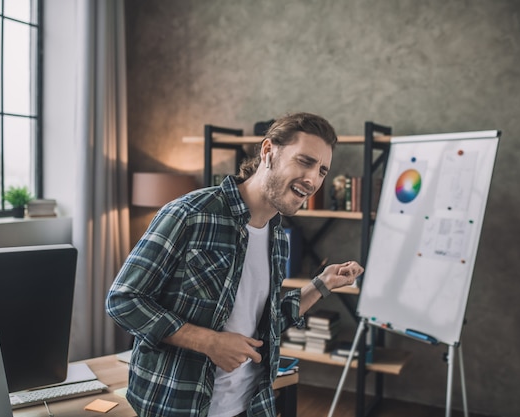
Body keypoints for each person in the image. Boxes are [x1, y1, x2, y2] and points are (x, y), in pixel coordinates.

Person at [106, 112, 364, 417]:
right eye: (304, 161)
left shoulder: (279, 238)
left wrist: (321, 284)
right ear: (268, 151)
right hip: (177, 406)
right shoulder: (190, 213)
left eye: (322, 170)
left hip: (249, 406)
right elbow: (123, 300)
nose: (313, 180)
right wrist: (209, 342)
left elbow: (261, 325)